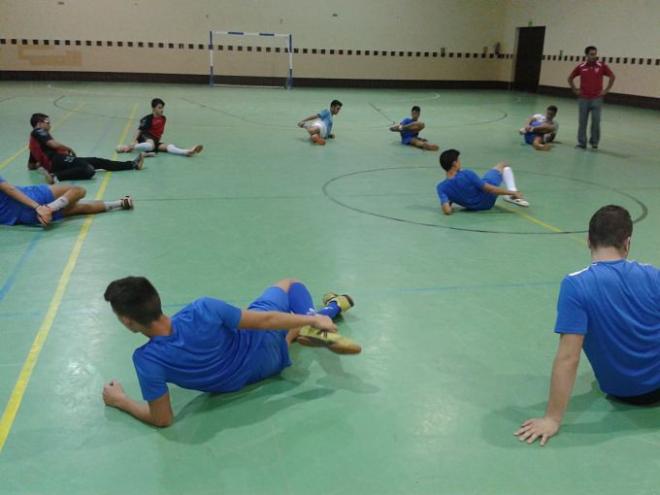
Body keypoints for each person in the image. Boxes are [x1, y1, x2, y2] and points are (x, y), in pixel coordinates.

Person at [102, 276, 360, 427]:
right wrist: (311, 320)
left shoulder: (147, 360)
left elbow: (162, 419)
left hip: (267, 367)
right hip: (266, 348)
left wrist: (120, 400)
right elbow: (265, 321)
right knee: (290, 285)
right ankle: (316, 318)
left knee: (288, 325)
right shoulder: (203, 309)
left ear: (127, 321)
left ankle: (314, 319)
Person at [515, 205, 660, 446]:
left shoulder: (576, 285)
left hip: (629, 393)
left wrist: (552, 418)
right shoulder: (653, 275)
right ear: (627, 242)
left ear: (588, 240)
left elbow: (568, 357)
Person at [27, 113, 144, 181]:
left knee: (97, 161)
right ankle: (55, 177)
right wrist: (69, 148)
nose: (49, 124)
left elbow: (31, 166)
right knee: (88, 169)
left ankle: (132, 165)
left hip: (58, 162)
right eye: (47, 122)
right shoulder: (38, 131)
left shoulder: (34, 143)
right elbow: (53, 144)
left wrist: (41, 165)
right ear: (39, 124)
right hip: (57, 161)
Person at [0, 175, 133, 227]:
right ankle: (51, 207)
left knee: (80, 208)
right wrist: (38, 207)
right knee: (79, 190)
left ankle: (120, 203)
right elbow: (9, 189)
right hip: (34, 199)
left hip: (27, 218)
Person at [436, 149, 529, 215]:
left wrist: (451, 201)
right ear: (454, 163)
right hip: (488, 198)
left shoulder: (441, 187)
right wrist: (512, 192)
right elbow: (489, 189)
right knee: (504, 165)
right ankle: (513, 195)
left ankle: (511, 194)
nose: (460, 162)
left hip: (478, 207)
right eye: (458, 160)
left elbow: (447, 210)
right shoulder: (466, 174)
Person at [116, 98, 204, 157]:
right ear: (153, 108)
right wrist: (133, 141)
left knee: (169, 146)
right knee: (150, 145)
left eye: (162, 108)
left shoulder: (163, 118)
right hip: (145, 137)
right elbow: (139, 130)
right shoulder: (147, 118)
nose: (162, 110)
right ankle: (129, 147)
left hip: (155, 140)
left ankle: (187, 152)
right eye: (159, 108)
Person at [568, 46, 615, 150]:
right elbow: (570, 78)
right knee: (582, 121)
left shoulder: (601, 66)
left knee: (596, 121)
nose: (594, 56)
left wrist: (606, 90)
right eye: (592, 54)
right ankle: (582, 143)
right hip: (583, 98)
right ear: (586, 55)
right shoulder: (581, 67)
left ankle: (594, 142)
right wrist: (575, 89)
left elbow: (612, 76)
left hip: (596, 99)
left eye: (595, 54)